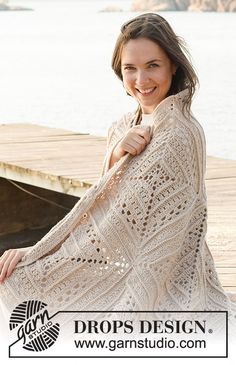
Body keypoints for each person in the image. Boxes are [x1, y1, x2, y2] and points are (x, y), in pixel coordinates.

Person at [0, 13, 235, 321]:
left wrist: (39, 254)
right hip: (114, 259)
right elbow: (101, 211)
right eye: (130, 69)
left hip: (162, 271)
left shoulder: (181, 134)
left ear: (173, 66)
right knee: (14, 277)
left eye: (153, 65)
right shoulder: (123, 126)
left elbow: (163, 238)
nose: (141, 80)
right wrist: (115, 153)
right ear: (119, 72)